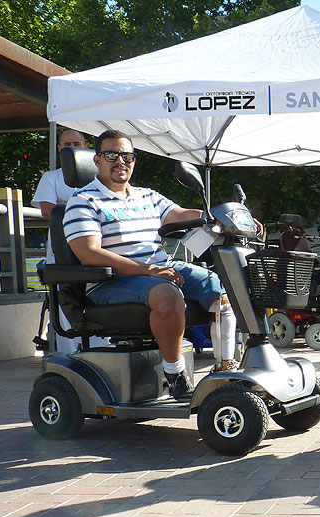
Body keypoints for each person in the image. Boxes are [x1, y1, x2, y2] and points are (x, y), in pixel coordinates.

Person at [62, 130, 240, 400]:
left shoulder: (147, 196)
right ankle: (175, 374)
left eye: (127, 155)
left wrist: (225, 216)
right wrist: (148, 270)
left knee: (223, 289)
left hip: (158, 269)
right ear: (97, 160)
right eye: (111, 154)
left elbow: (179, 214)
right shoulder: (83, 201)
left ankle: (225, 368)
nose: (121, 161)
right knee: (168, 295)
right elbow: (89, 254)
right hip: (110, 281)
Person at [30, 129, 110, 354]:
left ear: (86, 147)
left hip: (99, 247)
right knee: (64, 298)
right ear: (59, 149)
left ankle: (102, 349)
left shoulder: (103, 178)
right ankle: (68, 352)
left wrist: (66, 203)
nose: (71, 146)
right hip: (61, 249)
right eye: (66, 144)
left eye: (76, 142)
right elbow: (47, 210)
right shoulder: (51, 177)